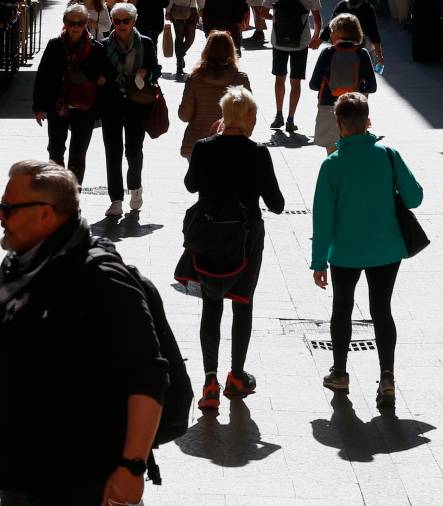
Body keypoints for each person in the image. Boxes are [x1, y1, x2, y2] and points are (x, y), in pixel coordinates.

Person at [0, 160, 168, 505]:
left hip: (79, 479)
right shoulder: (19, 267)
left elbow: (148, 373)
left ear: (45, 214)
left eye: (8, 209)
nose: (1, 217)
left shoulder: (99, 277)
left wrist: (132, 467)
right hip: (19, 470)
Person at [174, 86, 285, 410]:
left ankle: (209, 382)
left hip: (208, 236)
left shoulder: (205, 148)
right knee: (242, 304)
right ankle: (236, 375)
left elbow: (190, 185)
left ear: (224, 116)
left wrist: (206, 148)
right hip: (246, 238)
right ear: (248, 117)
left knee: (211, 306)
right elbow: (276, 204)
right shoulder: (258, 153)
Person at [311, 92, 423, 409]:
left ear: (339, 126)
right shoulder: (388, 154)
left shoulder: (332, 165)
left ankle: (340, 372)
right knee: (381, 310)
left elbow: (323, 217)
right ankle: (386, 377)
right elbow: (415, 198)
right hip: (386, 249)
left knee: (342, 309)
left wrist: (319, 260)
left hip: (344, 252)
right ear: (368, 121)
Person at [32, 4, 106, 185]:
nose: (76, 27)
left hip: (85, 109)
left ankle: (73, 199)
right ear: (65, 23)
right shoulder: (55, 45)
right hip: (58, 106)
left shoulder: (96, 49)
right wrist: (39, 107)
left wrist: (98, 108)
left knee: (78, 156)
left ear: (86, 23)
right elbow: (42, 76)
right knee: (55, 152)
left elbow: (102, 80)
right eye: (71, 22)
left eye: (80, 23)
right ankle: (58, 193)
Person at [99, 1, 160, 216]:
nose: (121, 24)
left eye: (126, 21)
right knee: (112, 153)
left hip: (137, 106)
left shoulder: (145, 43)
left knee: (133, 152)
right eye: (117, 21)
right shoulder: (105, 45)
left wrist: (146, 73)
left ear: (134, 21)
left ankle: (135, 187)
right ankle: (116, 199)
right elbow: (99, 72)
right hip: (111, 107)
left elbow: (156, 70)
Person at [309, 13, 376, 154]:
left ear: (337, 34)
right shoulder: (362, 54)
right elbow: (372, 86)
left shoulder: (327, 53)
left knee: (332, 152)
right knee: (353, 152)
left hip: (329, 107)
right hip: (355, 110)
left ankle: (335, 176)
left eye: (332, 31)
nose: (331, 35)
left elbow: (313, 84)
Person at [178, 30, 251, 159]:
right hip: (231, 144)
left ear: (206, 51)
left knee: (198, 179)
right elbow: (249, 116)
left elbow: (184, 116)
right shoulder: (241, 79)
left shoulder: (194, 79)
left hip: (198, 144)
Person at [262, 0, 322, 132]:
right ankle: (290, 119)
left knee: (279, 79)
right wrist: (316, 36)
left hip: (278, 41)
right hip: (301, 43)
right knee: (296, 82)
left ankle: (279, 115)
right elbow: (317, 19)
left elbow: (262, 13)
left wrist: (276, 18)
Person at [321, 0, 383, 68]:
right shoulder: (368, 8)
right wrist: (379, 55)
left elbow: (330, 27)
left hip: (340, 51)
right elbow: (374, 33)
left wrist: (318, 42)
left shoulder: (342, 6)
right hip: (362, 48)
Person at [166, 0, 203, 77]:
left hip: (185, 10)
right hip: (182, 9)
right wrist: (201, 7)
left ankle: (179, 57)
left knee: (187, 39)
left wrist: (168, 10)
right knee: (183, 38)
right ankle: (179, 64)